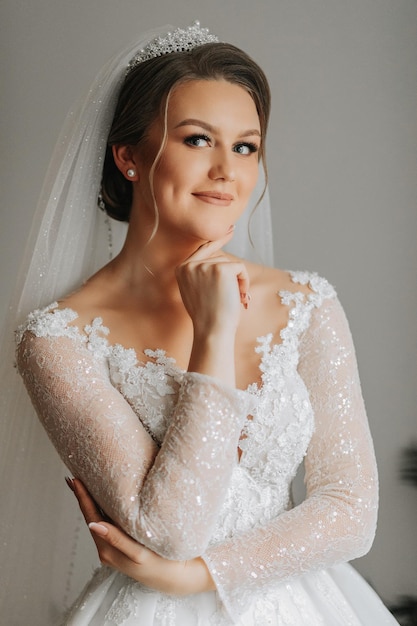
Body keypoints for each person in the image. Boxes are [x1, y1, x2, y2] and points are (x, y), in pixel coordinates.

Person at [4, 21, 399, 625]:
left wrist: (196, 578)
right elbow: (170, 529)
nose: (227, 171)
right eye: (197, 140)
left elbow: (351, 511)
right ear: (129, 156)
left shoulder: (306, 305)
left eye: (245, 146)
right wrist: (214, 334)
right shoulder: (58, 339)